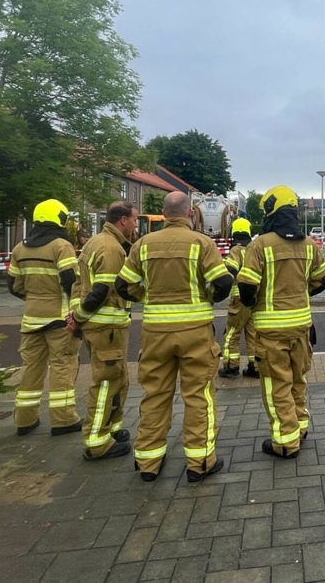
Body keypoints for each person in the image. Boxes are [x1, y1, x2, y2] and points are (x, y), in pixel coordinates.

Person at [115, 191, 232, 482]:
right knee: (198, 396)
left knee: (155, 395)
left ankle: (148, 462)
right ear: (190, 214)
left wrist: (147, 296)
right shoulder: (201, 243)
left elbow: (122, 285)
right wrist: (206, 299)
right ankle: (200, 462)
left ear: (164, 214)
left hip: (155, 334)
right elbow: (223, 282)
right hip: (195, 333)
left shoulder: (142, 244)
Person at [237, 186, 325, 459]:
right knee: (298, 379)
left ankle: (286, 442)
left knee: (277, 384)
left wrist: (255, 305)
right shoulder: (309, 245)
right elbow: (322, 280)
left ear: (271, 212)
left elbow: (246, 287)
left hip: (270, 331)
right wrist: (301, 296)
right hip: (302, 328)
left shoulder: (259, 245)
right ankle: (300, 427)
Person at [67, 201, 138, 461]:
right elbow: (101, 290)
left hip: (104, 327)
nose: (136, 224)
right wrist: (79, 317)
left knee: (119, 379)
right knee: (106, 383)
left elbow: (77, 284)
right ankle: (96, 441)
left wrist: (76, 316)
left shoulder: (94, 243)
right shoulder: (111, 249)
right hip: (106, 327)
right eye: (134, 219)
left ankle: (112, 429)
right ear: (123, 220)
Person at [8, 199, 82, 436]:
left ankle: (24, 420)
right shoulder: (61, 246)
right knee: (62, 366)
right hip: (59, 320)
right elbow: (72, 282)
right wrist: (77, 313)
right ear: (59, 219)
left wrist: (34, 301)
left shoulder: (20, 248)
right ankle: (63, 420)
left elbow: (14, 286)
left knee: (30, 368)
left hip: (31, 319)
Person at [219, 218, 260, 379]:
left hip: (239, 300)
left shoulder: (236, 250)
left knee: (232, 334)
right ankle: (254, 367)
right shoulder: (254, 250)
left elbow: (231, 268)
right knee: (252, 333)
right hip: (254, 300)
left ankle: (231, 366)